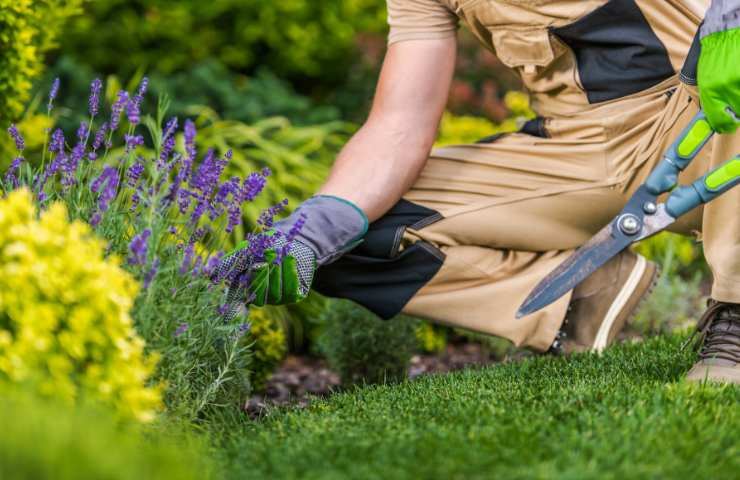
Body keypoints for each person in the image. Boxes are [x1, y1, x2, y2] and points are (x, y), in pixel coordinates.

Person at [227, 0, 740, 383]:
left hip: (700, 110)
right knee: (356, 233)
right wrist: (315, 228)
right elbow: (398, 125)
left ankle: (734, 321)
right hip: (575, 150)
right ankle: (574, 300)